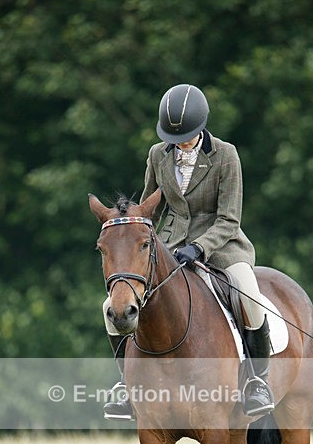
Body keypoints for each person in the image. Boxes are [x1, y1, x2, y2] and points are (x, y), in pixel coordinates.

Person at [103, 83, 274, 419]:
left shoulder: (226, 155)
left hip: (222, 246)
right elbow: (148, 208)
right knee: (113, 304)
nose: (179, 142)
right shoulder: (157, 154)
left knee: (248, 293)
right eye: (173, 136)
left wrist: (199, 247)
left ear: (201, 127)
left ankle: (256, 381)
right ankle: (125, 384)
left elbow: (229, 219)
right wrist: (129, 219)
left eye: (186, 136)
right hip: (170, 245)